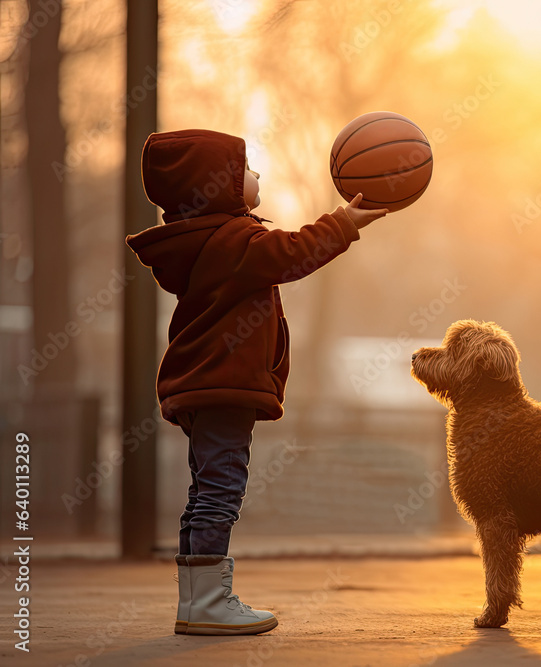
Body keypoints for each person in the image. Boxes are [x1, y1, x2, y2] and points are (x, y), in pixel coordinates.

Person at [126, 129, 387, 635]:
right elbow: (291, 252)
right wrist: (344, 224)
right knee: (221, 489)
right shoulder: (231, 242)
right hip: (223, 385)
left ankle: (197, 602)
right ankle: (208, 603)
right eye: (245, 169)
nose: (257, 175)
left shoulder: (205, 240)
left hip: (204, 384)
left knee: (206, 489)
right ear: (216, 185)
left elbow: (280, 252)